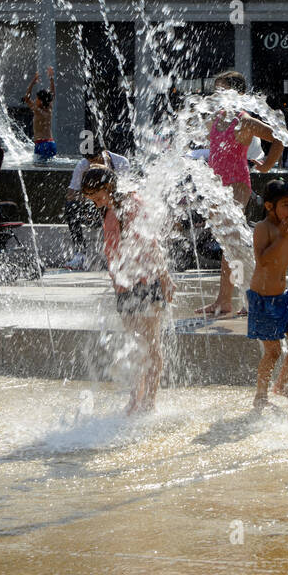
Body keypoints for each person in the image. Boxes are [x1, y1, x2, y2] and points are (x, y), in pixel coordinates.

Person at [81, 165, 174, 415]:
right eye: (93, 200)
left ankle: (149, 402)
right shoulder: (111, 207)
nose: (98, 203)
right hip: (125, 285)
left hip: (147, 281)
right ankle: (135, 399)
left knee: (151, 345)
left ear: (110, 187)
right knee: (136, 345)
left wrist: (165, 278)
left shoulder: (132, 204)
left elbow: (151, 243)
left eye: (99, 197)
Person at [197, 70, 283, 317]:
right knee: (228, 246)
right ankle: (225, 301)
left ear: (238, 94)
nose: (217, 95)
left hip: (236, 185)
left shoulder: (244, 121)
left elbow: (278, 138)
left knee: (235, 245)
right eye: (217, 90)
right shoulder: (217, 118)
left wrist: (267, 165)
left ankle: (253, 297)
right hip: (215, 186)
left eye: (222, 90)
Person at [248, 180, 288, 407]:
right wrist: (284, 236)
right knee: (272, 352)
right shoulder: (263, 228)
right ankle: (260, 396)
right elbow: (262, 260)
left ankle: (281, 384)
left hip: (283, 297)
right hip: (262, 299)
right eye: (285, 205)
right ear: (269, 206)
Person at [64, 140, 131, 271]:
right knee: (71, 207)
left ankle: (124, 254)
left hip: (115, 204)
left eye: (96, 159)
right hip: (94, 206)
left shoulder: (121, 162)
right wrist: (89, 194)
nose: (93, 164)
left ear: (105, 153)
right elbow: (70, 194)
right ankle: (80, 254)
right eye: (90, 161)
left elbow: (125, 191)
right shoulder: (83, 165)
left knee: (122, 206)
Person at [23, 67, 56, 161]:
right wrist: (51, 78)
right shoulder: (49, 109)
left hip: (41, 144)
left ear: (41, 101)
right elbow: (53, 94)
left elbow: (26, 98)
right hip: (51, 144)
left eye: (37, 98)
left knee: (38, 169)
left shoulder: (38, 111)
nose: (35, 100)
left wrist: (33, 83)